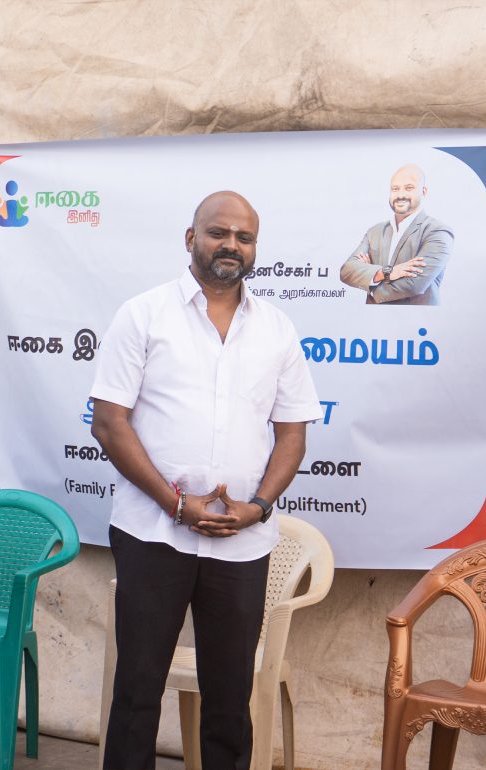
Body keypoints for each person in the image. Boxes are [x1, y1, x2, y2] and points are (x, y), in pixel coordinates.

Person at [92, 191, 322, 770]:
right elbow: (109, 423)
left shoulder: (276, 329)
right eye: (219, 233)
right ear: (190, 238)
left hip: (242, 542)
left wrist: (259, 507)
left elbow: (292, 435)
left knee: (229, 698)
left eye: (244, 237)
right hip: (152, 533)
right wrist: (175, 502)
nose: (231, 246)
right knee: (137, 690)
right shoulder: (143, 314)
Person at [339, 163, 454, 305]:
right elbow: (346, 271)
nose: (400, 195)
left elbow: (413, 284)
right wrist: (386, 272)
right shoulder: (375, 231)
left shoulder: (437, 231)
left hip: (417, 317)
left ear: (423, 191)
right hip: (373, 316)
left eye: (409, 188)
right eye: (395, 189)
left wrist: (370, 281)